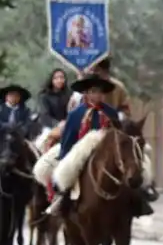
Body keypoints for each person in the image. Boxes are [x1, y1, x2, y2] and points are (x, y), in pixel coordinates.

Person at [46, 74, 123, 215]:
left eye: (100, 91)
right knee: (67, 175)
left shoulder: (111, 113)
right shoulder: (76, 114)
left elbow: (119, 136)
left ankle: (137, 199)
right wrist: (64, 157)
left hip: (107, 153)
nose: (98, 95)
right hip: (81, 153)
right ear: (86, 93)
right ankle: (62, 200)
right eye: (94, 91)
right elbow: (68, 139)